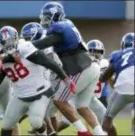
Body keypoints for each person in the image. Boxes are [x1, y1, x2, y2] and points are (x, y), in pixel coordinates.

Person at [31, 2, 105, 135]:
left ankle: (83, 132)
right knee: (83, 107)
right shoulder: (67, 24)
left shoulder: (59, 28)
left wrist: (26, 46)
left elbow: (44, 43)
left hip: (81, 67)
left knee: (59, 99)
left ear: (53, 16)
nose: (44, 20)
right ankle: (100, 133)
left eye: (46, 17)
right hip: (92, 66)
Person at [0, 26, 75, 136]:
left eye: (11, 41)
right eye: (6, 42)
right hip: (19, 96)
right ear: (1, 43)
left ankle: (44, 133)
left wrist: (66, 79)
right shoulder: (0, 57)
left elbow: (48, 62)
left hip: (40, 92)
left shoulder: (25, 48)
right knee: (6, 127)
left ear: (16, 39)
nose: (9, 45)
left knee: (36, 122)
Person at [20, 22, 61, 135]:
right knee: (49, 112)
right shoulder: (41, 44)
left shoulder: (45, 47)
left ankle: (50, 131)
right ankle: (50, 131)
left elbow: (51, 64)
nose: (26, 39)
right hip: (51, 77)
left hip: (53, 78)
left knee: (41, 107)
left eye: (28, 36)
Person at [101, 32, 134, 136]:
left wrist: (102, 77)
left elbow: (106, 75)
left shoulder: (117, 54)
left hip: (122, 89)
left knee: (106, 122)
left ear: (123, 44)